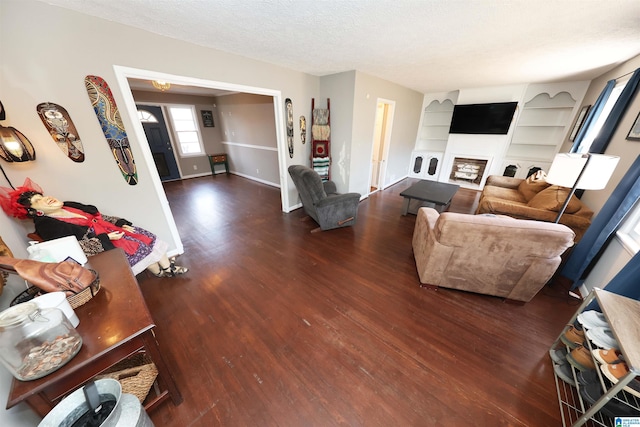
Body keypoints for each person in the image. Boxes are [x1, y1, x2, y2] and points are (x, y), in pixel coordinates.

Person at [0, 178, 187, 278]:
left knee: (146, 238)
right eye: (37, 202)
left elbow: (99, 217)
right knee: (142, 252)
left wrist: (121, 223)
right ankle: (162, 273)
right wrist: (107, 239)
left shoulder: (69, 205)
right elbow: (75, 248)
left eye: (41, 195)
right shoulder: (48, 226)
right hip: (104, 244)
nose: (45, 199)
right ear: (34, 212)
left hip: (112, 230)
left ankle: (168, 268)